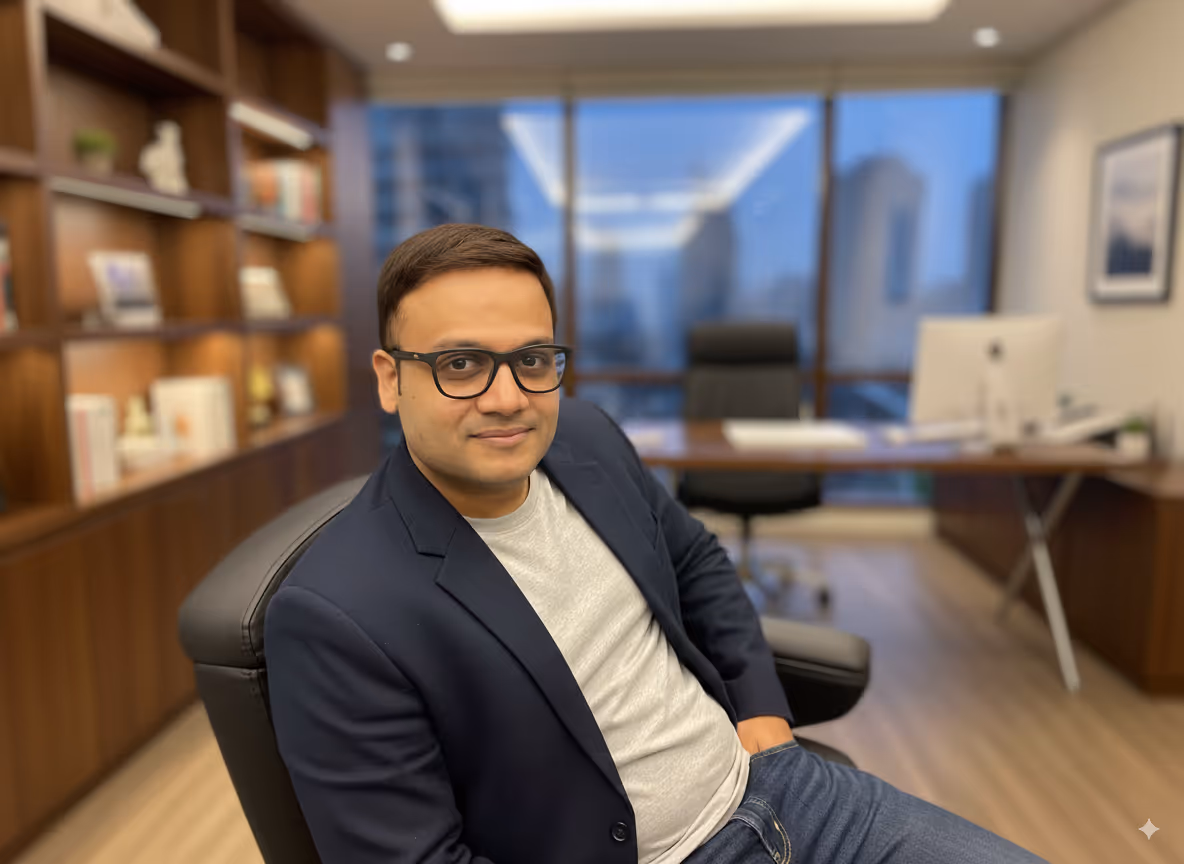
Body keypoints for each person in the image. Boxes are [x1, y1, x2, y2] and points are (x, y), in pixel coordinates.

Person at [266, 223, 1048, 864]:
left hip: (786, 793)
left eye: (533, 360)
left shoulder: (587, 441)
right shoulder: (338, 612)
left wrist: (764, 719)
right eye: (460, 364)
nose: (507, 398)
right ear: (388, 377)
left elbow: (698, 561)